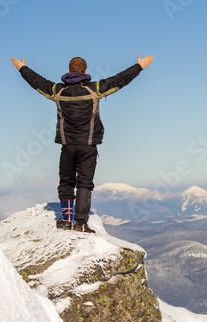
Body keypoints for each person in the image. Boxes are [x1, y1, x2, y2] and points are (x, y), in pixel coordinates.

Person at [11, 54, 154, 233]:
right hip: (88, 146)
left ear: (69, 70)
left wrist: (22, 68)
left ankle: (66, 220)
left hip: (67, 145)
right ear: (85, 71)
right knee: (84, 184)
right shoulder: (95, 89)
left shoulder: (58, 91)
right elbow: (119, 80)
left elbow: (37, 82)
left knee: (66, 183)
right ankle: (80, 223)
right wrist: (139, 66)